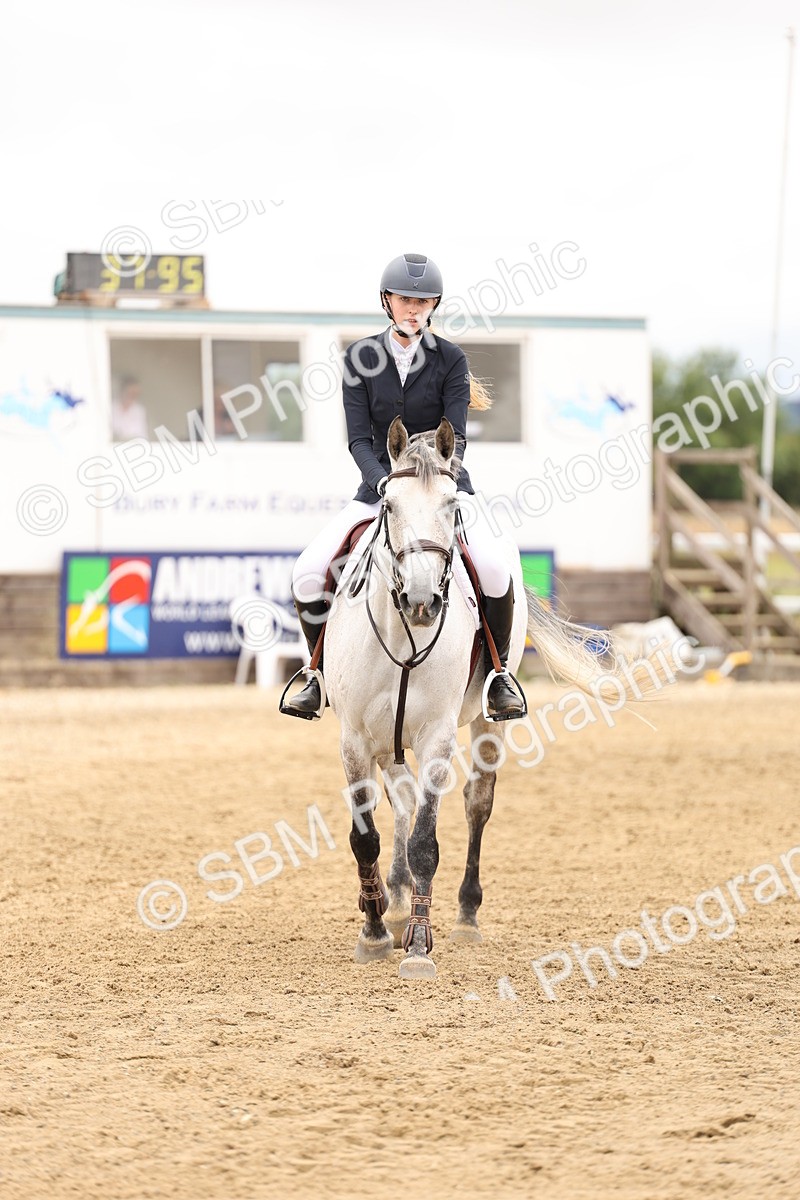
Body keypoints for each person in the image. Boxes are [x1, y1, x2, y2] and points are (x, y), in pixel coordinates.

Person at [281, 252, 524, 721]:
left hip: (444, 488)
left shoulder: (451, 359)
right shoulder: (358, 359)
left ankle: (498, 677)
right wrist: (383, 482)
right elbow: (357, 439)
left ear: (434, 305)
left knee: (495, 569)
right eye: (405, 299)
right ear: (386, 301)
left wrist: (437, 482)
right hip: (379, 489)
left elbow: (456, 437)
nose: (414, 308)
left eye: (423, 301)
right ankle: (318, 675)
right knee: (308, 572)